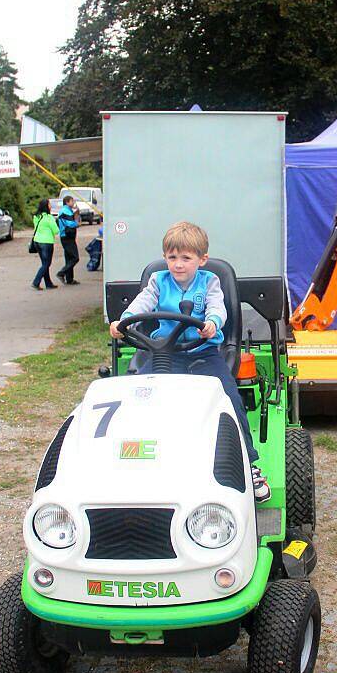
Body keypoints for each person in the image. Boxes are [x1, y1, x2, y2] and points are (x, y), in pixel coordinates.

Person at [109, 221, 271, 502]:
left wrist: (212, 322)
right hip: (163, 353)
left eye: (186, 258)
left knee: (229, 398)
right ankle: (129, 463)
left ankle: (250, 465)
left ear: (202, 259)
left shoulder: (210, 281)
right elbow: (142, 304)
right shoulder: (158, 282)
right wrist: (123, 320)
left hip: (202, 353)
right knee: (135, 398)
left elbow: (217, 307)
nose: (178, 265)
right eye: (172, 258)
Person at [31, 199, 59, 290]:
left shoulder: (36, 217)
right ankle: (36, 282)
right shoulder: (49, 217)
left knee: (44, 263)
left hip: (37, 241)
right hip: (47, 242)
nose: (51, 206)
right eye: (49, 204)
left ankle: (48, 283)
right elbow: (56, 231)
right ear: (46, 206)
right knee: (47, 263)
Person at [56, 196, 80, 285]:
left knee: (69, 257)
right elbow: (70, 223)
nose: (73, 203)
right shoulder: (65, 211)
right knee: (75, 257)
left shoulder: (68, 210)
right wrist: (76, 223)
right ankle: (61, 273)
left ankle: (69, 279)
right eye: (72, 201)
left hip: (67, 236)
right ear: (67, 202)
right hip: (67, 236)